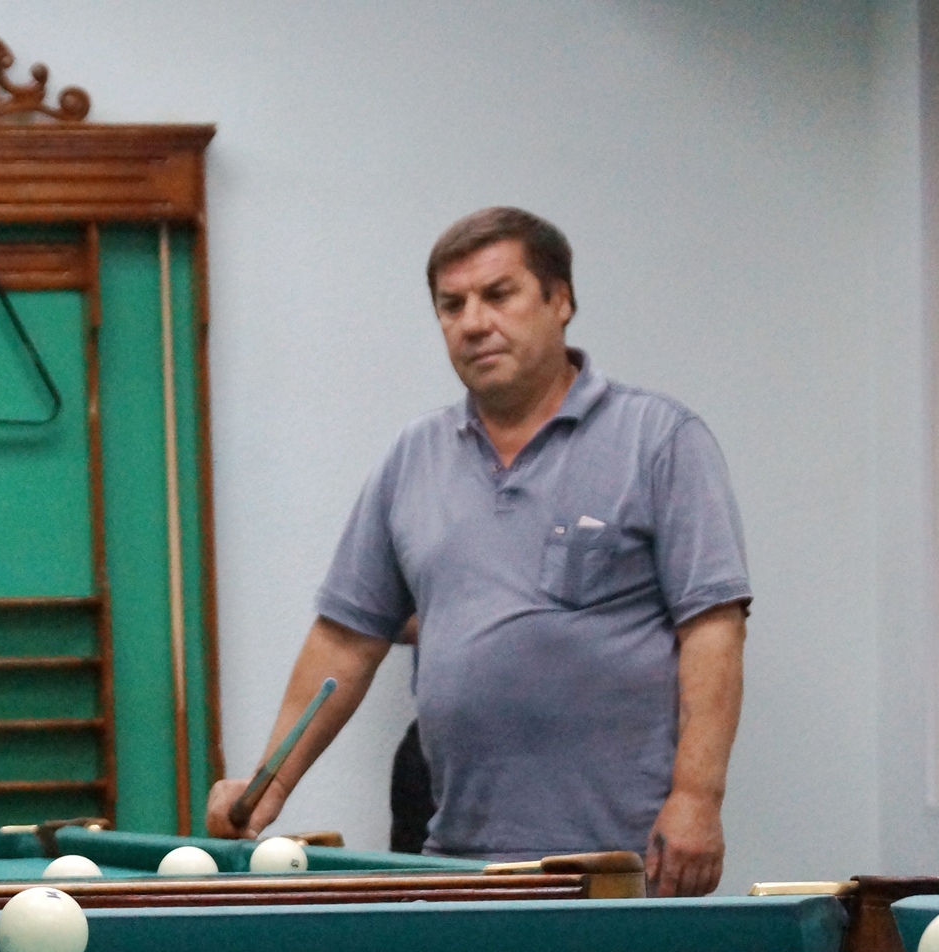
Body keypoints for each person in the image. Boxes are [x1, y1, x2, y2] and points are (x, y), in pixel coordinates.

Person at [208, 208, 750, 896]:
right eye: (451, 305)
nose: (472, 322)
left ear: (560, 300)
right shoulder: (413, 456)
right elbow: (345, 639)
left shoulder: (660, 439)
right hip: (458, 860)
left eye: (498, 295)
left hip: (619, 860)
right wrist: (271, 783)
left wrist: (698, 796)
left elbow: (713, 628)